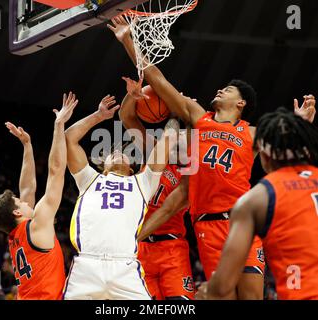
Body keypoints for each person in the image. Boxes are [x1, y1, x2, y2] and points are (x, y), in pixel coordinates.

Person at [107, 15, 316, 299]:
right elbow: (157, 79)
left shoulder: (251, 133)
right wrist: (128, 41)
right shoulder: (198, 117)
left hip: (243, 219)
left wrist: (300, 121)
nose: (219, 90)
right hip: (206, 226)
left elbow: (284, 141)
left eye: (228, 90)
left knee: (253, 297)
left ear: (240, 103)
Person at [63, 94, 178, 300]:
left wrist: (176, 111)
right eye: (111, 153)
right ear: (103, 165)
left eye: (123, 153)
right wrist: (98, 116)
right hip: (87, 266)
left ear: (132, 167)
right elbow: (69, 138)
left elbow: (168, 140)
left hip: (125, 266)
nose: (117, 152)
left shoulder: (142, 183)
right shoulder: (89, 178)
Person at [195, 108, 318, 300]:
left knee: (207, 293)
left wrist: (208, 292)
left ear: (264, 156)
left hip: (302, 295)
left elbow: (222, 289)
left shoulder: (258, 198)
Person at [0, 92, 78, 299]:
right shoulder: (37, 225)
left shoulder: (16, 236)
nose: (24, 198)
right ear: (18, 211)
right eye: (19, 201)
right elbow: (56, 171)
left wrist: (27, 146)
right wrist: (59, 125)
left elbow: (27, 189)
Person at [119, 88, 194, 300]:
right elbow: (126, 116)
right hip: (141, 249)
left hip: (171, 248)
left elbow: (170, 209)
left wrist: (181, 111)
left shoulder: (191, 173)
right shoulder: (152, 151)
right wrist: (132, 96)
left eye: (183, 136)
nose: (177, 138)